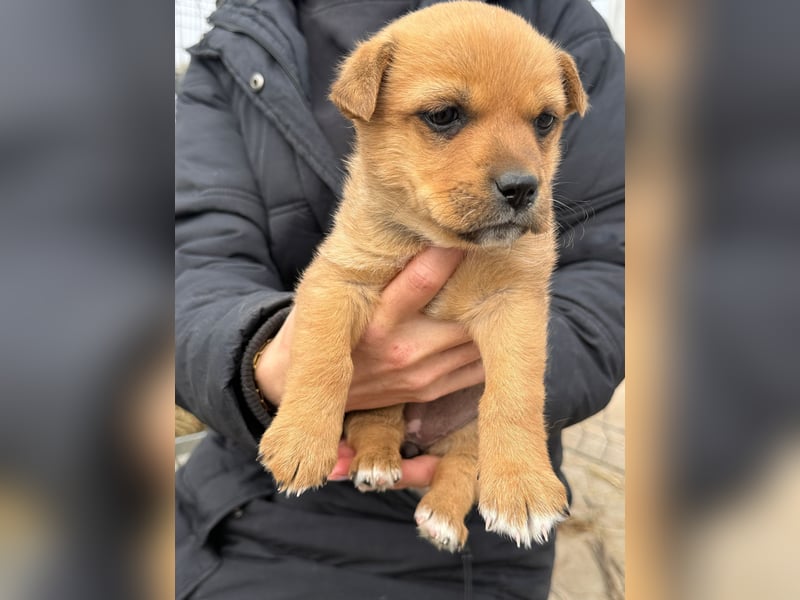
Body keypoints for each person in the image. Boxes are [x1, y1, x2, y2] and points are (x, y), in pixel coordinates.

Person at [175, 1, 624, 598]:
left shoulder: (558, 20)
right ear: (364, 107)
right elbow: (200, 267)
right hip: (243, 500)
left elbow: (612, 264)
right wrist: (276, 374)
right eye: (444, 115)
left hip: (478, 548)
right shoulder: (228, 52)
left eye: (543, 123)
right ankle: (382, 444)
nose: (522, 171)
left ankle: (454, 486)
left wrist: (499, 420)